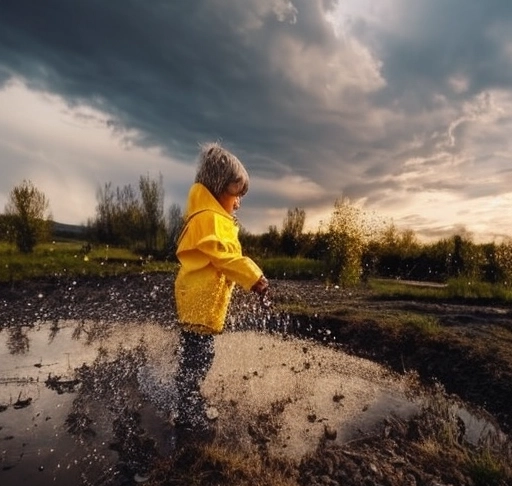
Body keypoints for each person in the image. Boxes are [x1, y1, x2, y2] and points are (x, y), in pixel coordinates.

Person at [173, 141, 269, 443]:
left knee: (196, 357)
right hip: (200, 304)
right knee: (199, 359)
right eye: (236, 194)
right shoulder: (210, 220)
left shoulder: (208, 217)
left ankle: (187, 402)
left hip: (197, 301)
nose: (239, 202)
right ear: (218, 189)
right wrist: (256, 278)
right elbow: (226, 257)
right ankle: (187, 412)